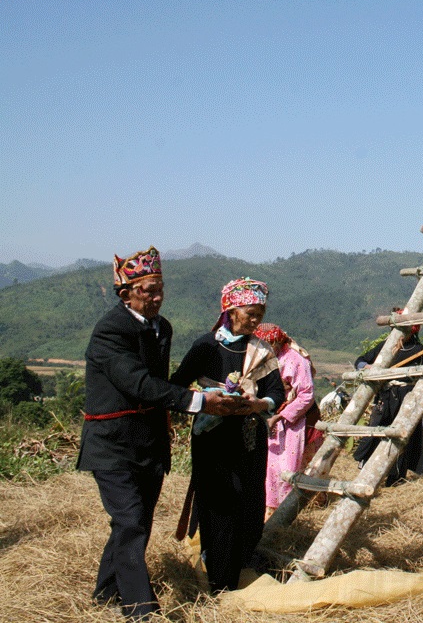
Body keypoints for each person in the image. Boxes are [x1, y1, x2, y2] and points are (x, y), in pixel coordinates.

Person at [77, 246, 239, 621]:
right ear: (126, 294)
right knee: (131, 521)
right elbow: (140, 385)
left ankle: (105, 594)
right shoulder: (110, 331)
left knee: (135, 523)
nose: (157, 297)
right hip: (112, 443)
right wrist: (199, 402)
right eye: (148, 290)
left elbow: (161, 384)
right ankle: (141, 610)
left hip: (149, 443)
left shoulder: (160, 328)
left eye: (160, 288)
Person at [170, 277, 285, 593]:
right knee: (219, 502)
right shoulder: (206, 347)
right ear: (231, 310)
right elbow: (178, 385)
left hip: (249, 437)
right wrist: (207, 397)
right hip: (213, 438)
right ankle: (220, 577)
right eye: (251, 312)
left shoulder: (260, 351)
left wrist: (259, 403)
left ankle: (243, 561)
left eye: (260, 313)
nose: (256, 319)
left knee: (249, 501)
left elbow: (277, 390)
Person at [353, 308, 423, 486]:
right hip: (386, 395)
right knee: (377, 432)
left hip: (407, 397)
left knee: (401, 436)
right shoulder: (384, 347)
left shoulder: (419, 350)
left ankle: (396, 477)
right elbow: (361, 360)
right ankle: (370, 474)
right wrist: (367, 367)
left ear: (412, 331)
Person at [254, 323, 322, 520]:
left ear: (276, 341)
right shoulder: (265, 358)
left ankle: (286, 511)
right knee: (270, 465)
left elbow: (306, 394)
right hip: (269, 412)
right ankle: (270, 507)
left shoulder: (295, 359)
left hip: (293, 419)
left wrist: (281, 416)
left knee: (287, 465)